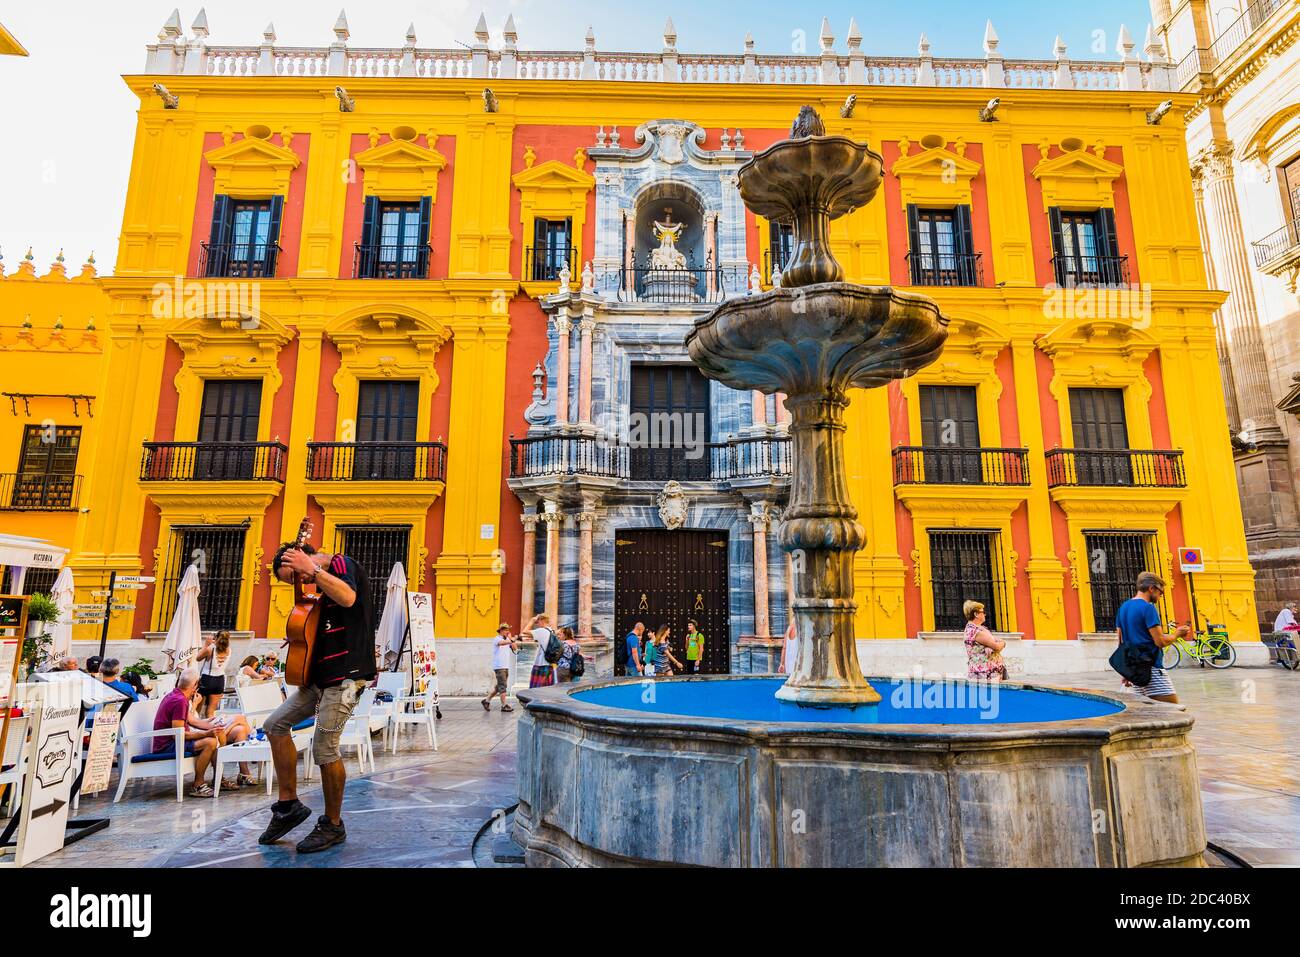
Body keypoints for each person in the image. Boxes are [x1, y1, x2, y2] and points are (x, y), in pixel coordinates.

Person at [260, 540, 376, 853]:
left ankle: (333, 825)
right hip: (318, 677)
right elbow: (326, 620)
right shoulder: (320, 588)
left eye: (296, 576)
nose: (301, 583)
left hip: (346, 676)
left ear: (306, 559)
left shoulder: (341, 565)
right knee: (275, 725)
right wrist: (304, 635)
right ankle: (288, 806)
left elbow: (349, 598)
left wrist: (312, 570)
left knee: (324, 749)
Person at [1116, 571, 1188, 704]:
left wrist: (1125, 672)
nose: (1161, 596)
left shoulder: (1123, 608)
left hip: (1135, 670)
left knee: (1146, 714)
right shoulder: (1148, 608)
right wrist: (1177, 635)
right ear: (1151, 588)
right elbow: (1160, 641)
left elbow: (1120, 642)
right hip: (1152, 669)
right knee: (1174, 711)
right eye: (1160, 592)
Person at [152, 669, 221, 797]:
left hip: (172, 741)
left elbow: (191, 720)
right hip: (167, 746)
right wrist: (206, 734)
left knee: (215, 737)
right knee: (210, 743)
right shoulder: (179, 701)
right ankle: (198, 785)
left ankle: (219, 780)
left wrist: (214, 726)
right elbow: (178, 734)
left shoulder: (176, 695)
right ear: (195, 685)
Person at [963, 601, 1007, 681]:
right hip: (984, 675)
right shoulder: (976, 631)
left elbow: (993, 641)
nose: (985, 614)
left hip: (988, 673)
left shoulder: (977, 628)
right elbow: (996, 647)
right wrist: (1003, 643)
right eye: (983, 612)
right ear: (976, 614)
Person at [482, 623, 518, 712]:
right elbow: (501, 643)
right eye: (506, 630)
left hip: (505, 666)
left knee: (499, 686)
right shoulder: (497, 639)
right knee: (503, 686)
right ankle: (504, 705)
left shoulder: (507, 639)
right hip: (499, 666)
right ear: (501, 630)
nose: (508, 631)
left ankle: (486, 701)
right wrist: (512, 639)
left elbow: (515, 648)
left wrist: (511, 639)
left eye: (508, 630)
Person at [196, 630, 232, 717]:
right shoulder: (229, 650)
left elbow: (198, 658)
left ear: (216, 638)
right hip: (219, 681)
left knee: (197, 709)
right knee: (211, 711)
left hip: (207, 679)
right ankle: (210, 728)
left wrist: (206, 644)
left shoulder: (210, 649)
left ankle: (195, 727)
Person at [526, 612, 556, 688]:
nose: (537, 624)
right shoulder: (551, 631)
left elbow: (524, 632)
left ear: (542, 620)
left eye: (538, 621)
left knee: (536, 689)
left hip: (541, 664)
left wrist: (532, 621)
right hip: (550, 664)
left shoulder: (541, 631)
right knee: (547, 689)